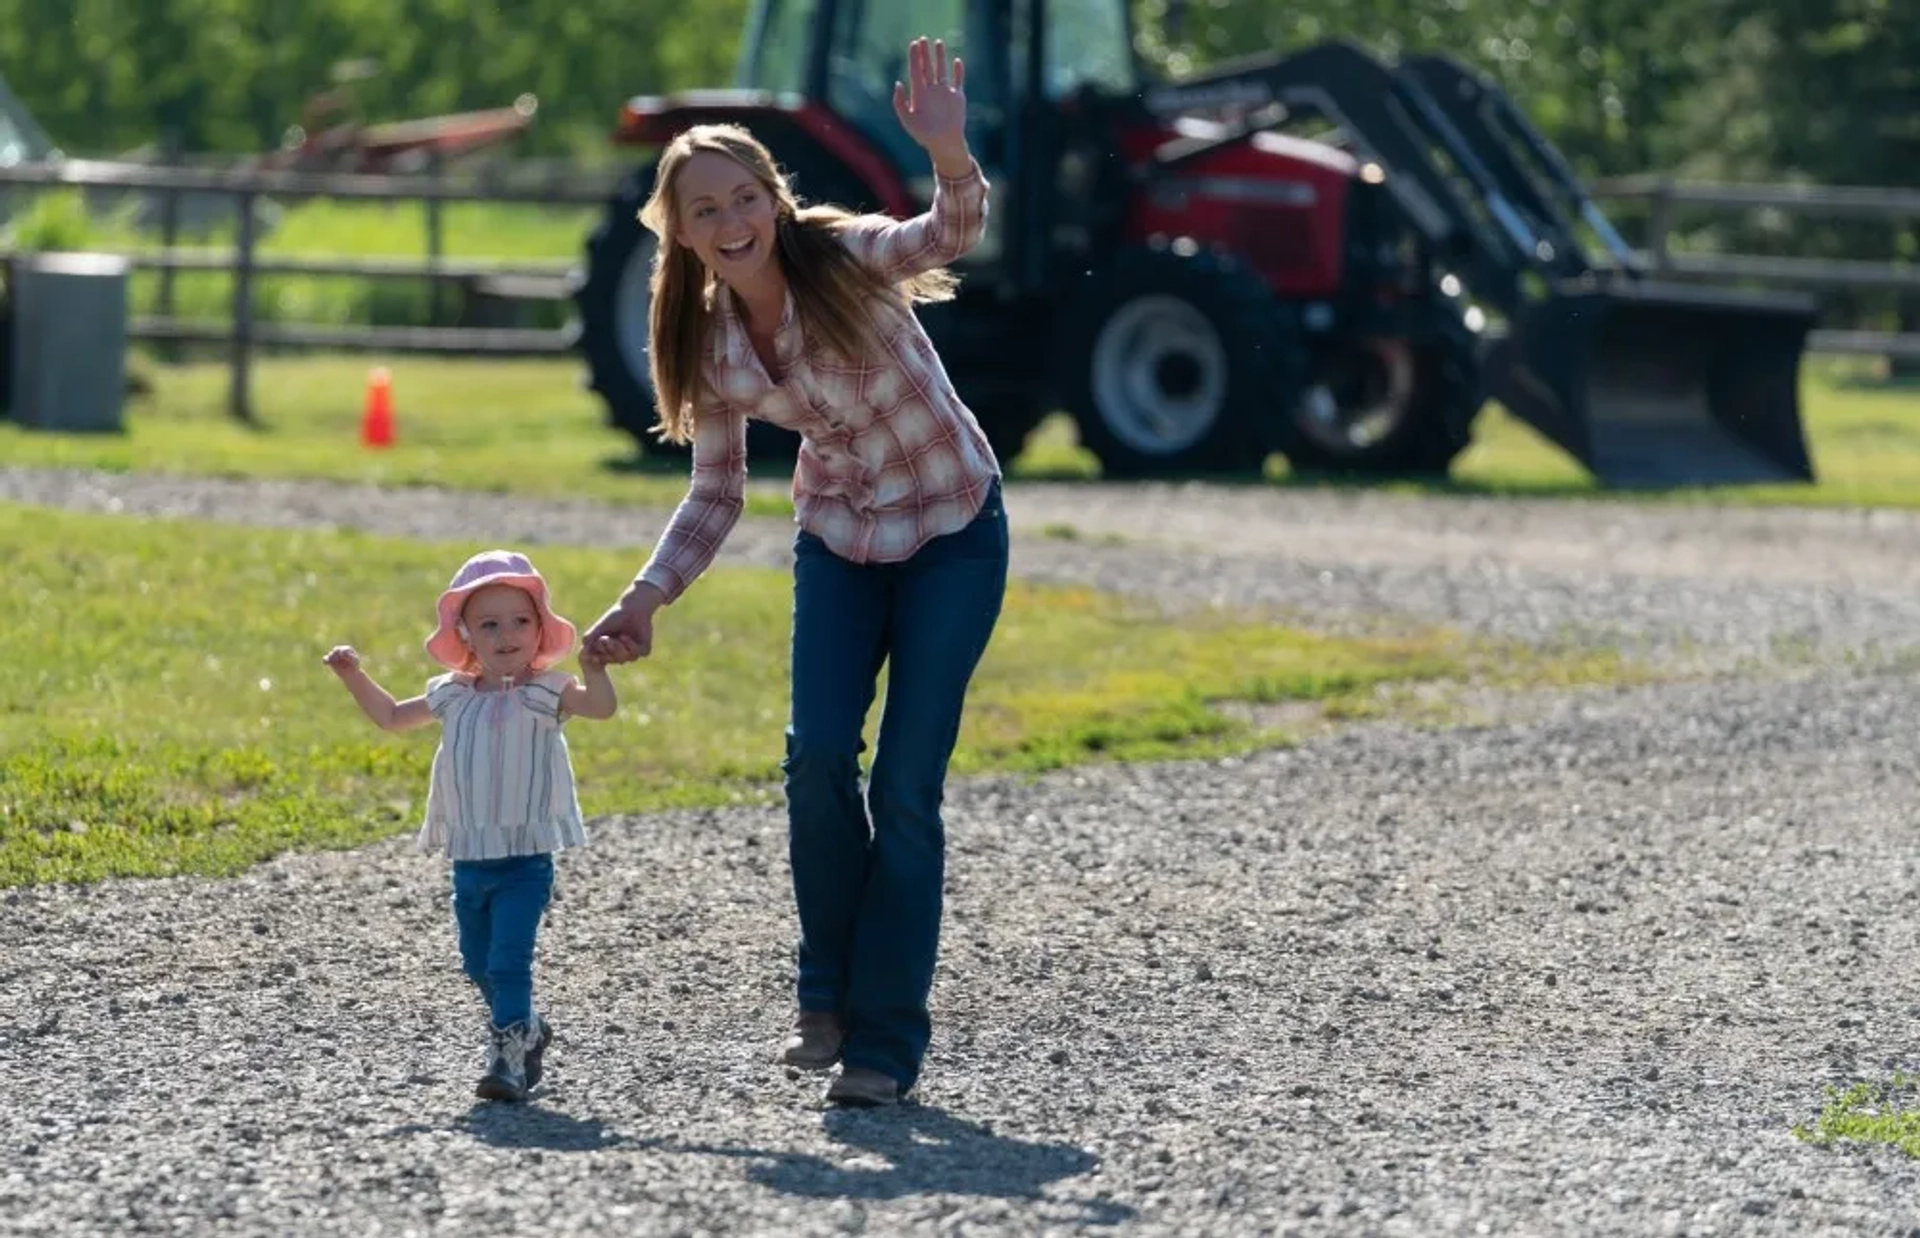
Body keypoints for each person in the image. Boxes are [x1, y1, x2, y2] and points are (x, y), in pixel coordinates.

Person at [581, 36, 1008, 1108]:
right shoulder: (708, 342)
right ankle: (823, 997)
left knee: (904, 789)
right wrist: (645, 596)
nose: (731, 222)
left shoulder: (845, 255)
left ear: (773, 198)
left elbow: (947, 231)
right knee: (816, 755)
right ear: (679, 232)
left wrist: (948, 152)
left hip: (955, 530)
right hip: (842, 542)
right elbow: (716, 490)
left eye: (744, 198)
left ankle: (884, 1043)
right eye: (705, 211)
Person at [324, 548, 618, 1103]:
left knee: (508, 960)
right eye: (489, 624)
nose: (506, 635)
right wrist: (352, 675)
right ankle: (527, 1023)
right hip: (469, 856)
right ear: (465, 635)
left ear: (539, 630)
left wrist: (594, 669)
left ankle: (505, 1057)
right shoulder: (452, 694)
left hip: (525, 859)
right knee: (477, 962)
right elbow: (390, 718)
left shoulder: (547, 692)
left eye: (520, 622)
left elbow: (601, 708)